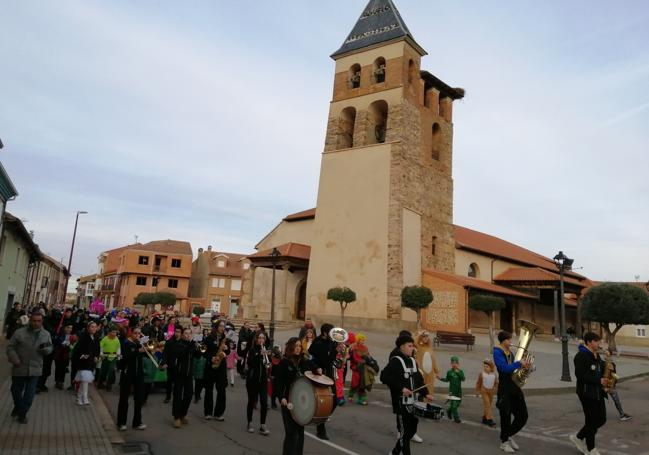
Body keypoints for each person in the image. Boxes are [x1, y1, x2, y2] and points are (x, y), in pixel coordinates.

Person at [381, 333, 433, 455]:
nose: (412, 348)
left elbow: (419, 380)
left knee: (412, 429)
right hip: (401, 403)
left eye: (412, 346)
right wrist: (401, 388)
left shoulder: (412, 361)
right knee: (405, 434)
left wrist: (426, 394)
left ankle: (395, 452)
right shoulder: (396, 361)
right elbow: (384, 377)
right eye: (410, 346)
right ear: (402, 347)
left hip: (413, 402)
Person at [6, 311, 53, 423]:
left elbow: (50, 347)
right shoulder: (20, 333)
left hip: (35, 368)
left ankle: (22, 414)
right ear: (30, 320)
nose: (36, 323)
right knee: (15, 390)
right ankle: (18, 406)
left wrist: (46, 350)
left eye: (39, 321)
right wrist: (15, 360)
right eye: (34, 321)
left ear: (42, 322)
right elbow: (10, 347)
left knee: (30, 393)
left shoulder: (45, 334)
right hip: (20, 366)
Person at [276, 337, 317, 455]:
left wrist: (317, 369)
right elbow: (278, 382)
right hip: (288, 402)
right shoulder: (284, 362)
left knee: (300, 433)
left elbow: (313, 368)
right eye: (296, 346)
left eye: (300, 346)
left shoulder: (304, 362)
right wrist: (281, 397)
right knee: (291, 433)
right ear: (291, 347)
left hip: (301, 403)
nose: (298, 348)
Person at [570, 332, 608, 455]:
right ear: (589, 342)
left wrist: (610, 366)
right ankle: (590, 449)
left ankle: (578, 437)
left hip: (598, 392)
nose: (599, 344)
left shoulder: (595, 355)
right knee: (591, 421)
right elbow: (580, 376)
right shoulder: (581, 356)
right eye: (597, 341)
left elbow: (601, 368)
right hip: (587, 393)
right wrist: (599, 380)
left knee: (601, 419)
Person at [493, 331, 529, 453]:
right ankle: (504, 442)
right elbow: (503, 368)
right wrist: (518, 363)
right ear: (503, 341)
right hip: (504, 389)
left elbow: (514, 370)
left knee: (523, 416)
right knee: (506, 417)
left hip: (515, 388)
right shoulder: (497, 352)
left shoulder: (510, 353)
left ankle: (507, 436)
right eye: (509, 340)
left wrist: (525, 368)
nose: (511, 342)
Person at [309, 323, 338, 440]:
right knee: (323, 401)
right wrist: (335, 350)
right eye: (331, 332)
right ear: (325, 333)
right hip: (321, 375)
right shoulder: (318, 343)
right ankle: (321, 429)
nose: (332, 335)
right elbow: (326, 360)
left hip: (329, 374)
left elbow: (331, 360)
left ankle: (322, 417)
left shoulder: (330, 342)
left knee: (334, 400)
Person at [116, 327, 147, 431]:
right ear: (131, 334)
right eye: (135, 333)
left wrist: (147, 349)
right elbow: (126, 356)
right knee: (124, 399)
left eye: (139, 333)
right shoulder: (126, 343)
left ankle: (137, 422)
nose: (137, 335)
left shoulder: (139, 344)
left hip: (138, 374)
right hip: (127, 373)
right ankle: (121, 423)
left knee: (139, 399)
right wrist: (138, 350)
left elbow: (145, 356)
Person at [245, 331, 271, 435]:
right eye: (259, 338)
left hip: (263, 381)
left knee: (264, 403)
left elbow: (267, 364)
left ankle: (262, 425)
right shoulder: (252, 350)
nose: (261, 340)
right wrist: (259, 355)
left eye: (263, 338)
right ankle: (249, 423)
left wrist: (267, 359)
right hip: (252, 380)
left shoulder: (266, 349)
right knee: (252, 401)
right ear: (256, 339)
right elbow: (250, 363)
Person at [203, 321, 230, 421]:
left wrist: (226, 349)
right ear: (216, 327)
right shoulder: (209, 338)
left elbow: (228, 351)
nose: (223, 328)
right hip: (211, 366)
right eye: (221, 326)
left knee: (221, 389)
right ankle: (208, 412)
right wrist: (211, 358)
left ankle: (219, 413)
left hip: (221, 366)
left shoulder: (225, 339)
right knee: (209, 389)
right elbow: (204, 351)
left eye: (224, 326)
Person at [171, 327, 194, 428]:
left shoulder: (191, 345)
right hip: (179, 374)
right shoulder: (178, 344)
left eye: (189, 334)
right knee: (177, 396)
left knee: (188, 396)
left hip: (189, 374)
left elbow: (197, 355)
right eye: (186, 333)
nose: (187, 335)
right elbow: (183, 354)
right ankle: (176, 417)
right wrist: (191, 345)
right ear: (182, 334)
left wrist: (199, 348)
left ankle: (183, 414)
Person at [73, 321, 100, 405]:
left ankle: (78, 398)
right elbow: (77, 349)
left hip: (91, 362)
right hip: (83, 362)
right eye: (92, 327)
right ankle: (85, 397)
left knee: (85, 381)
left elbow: (97, 349)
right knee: (85, 380)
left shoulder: (96, 337)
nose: (94, 328)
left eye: (95, 327)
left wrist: (96, 356)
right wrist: (82, 355)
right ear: (88, 328)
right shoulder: (83, 337)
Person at [439, 355, 465, 423]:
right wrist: (440, 378)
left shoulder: (460, 371)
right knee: (454, 406)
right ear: (451, 364)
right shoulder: (449, 372)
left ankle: (449, 410)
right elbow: (447, 380)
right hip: (452, 392)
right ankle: (457, 419)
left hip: (458, 391)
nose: (454, 364)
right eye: (453, 363)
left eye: (456, 363)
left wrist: (458, 372)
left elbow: (463, 379)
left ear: (458, 364)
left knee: (457, 404)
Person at [605, 356, 631, 421]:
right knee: (616, 400)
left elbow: (614, 375)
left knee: (616, 400)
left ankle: (622, 414)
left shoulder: (610, 364)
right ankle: (622, 414)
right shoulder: (605, 364)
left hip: (609, 384)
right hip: (608, 385)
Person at [162, 326, 182, 403]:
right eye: (176, 331)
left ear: (181, 333)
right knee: (169, 381)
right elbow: (165, 353)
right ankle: (168, 396)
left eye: (179, 332)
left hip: (179, 365)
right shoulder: (169, 341)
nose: (177, 333)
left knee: (178, 382)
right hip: (171, 364)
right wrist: (164, 362)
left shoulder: (182, 342)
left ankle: (177, 397)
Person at [348, 333, 370, 405]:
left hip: (363, 368)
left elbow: (368, 356)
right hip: (356, 368)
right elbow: (354, 358)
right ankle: (351, 394)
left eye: (363, 340)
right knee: (355, 383)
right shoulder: (354, 347)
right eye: (361, 340)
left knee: (362, 383)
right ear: (358, 340)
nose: (363, 342)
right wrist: (362, 361)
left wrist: (369, 360)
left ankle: (361, 399)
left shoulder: (365, 348)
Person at [476, 358, 498, 427]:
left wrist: (495, 388)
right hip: (484, 391)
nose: (485, 368)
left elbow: (496, 383)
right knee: (487, 404)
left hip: (491, 392)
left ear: (491, 368)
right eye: (484, 366)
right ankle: (489, 419)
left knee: (488, 405)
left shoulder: (494, 375)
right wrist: (477, 391)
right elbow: (478, 383)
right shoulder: (481, 374)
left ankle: (484, 418)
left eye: (487, 367)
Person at [97, 327, 121, 391]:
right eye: (113, 332)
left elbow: (118, 347)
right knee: (103, 371)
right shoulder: (105, 339)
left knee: (111, 371)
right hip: (105, 357)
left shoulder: (117, 339)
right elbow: (101, 347)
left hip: (113, 357)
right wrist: (101, 353)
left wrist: (118, 355)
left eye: (115, 332)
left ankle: (109, 385)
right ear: (109, 332)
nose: (114, 333)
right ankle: (100, 383)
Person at [53, 324, 75, 390]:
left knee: (63, 369)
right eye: (68, 328)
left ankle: (61, 382)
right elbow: (57, 341)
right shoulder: (60, 334)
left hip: (66, 355)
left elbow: (72, 345)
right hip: (59, 354)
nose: (69, 329)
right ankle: (57, 381)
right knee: (58, 368)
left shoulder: (72, 336)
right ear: (64, 328)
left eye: (71, 328)